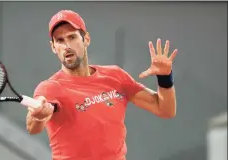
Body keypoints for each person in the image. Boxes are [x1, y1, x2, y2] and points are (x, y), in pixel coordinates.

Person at [25, 10, 178, 160]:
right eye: (60, 40)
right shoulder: (50, 88)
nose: (66, 46)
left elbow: (165, 110)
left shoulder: (115, 76)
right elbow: (33, 126)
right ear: (53, 47)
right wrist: (38, 116)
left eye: (72, 37)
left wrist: (165, 78)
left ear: (86, 40)